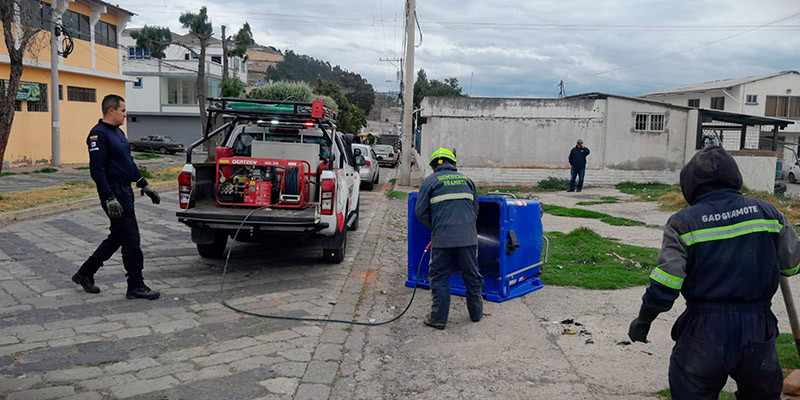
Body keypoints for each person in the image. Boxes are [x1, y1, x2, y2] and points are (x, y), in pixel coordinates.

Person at [628, 146, 800, 399]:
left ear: (690, 183)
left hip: (705, 331)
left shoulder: (682, 223)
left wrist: (644, 319)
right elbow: (792, 264)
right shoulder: (767, 213)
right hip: (757, 327)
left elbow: (666, 283)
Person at [71, 94, 161, 300]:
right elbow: (97, 170)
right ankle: (135, 285)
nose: (125, 114)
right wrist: (109, 198)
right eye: (123, 110)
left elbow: (128, 163)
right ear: (111, 111)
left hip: (125, 191)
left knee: (118, 236)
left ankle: (85, 273)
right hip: (113, 193)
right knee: (131, 237)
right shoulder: (98, 134)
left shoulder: (118, 133)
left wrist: (144, 184)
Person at [415, 148, 482, 329]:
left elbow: (420, 212)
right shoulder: (468, 181)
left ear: (433, 166)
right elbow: (474, 210)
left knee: (440, 278)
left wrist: (438, 226)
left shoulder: (430, 182)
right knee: (472, 276)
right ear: (453, 164)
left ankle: (438, 319)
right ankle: (476, 314)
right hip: (468, 239)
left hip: (442, 240)